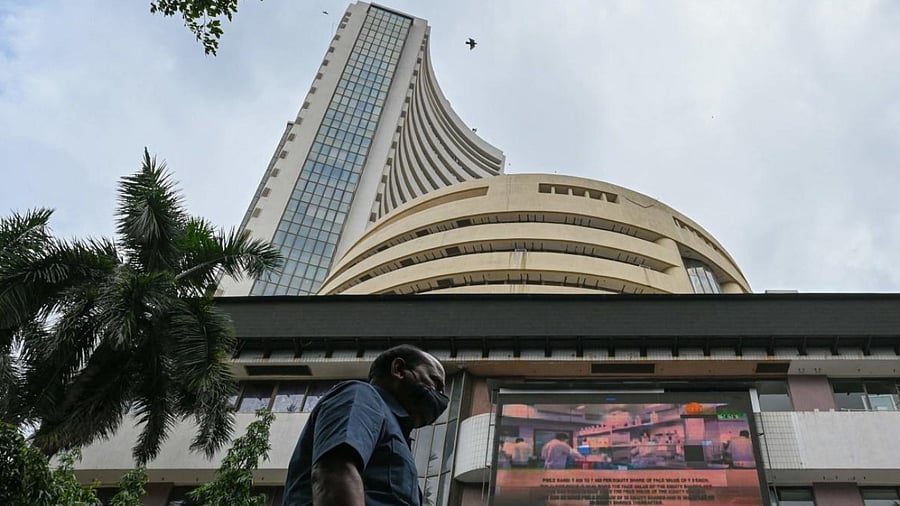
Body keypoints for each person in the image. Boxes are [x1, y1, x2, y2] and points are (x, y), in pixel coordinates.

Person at [283, 344, 448, 506]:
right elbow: (335, 471)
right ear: (398, 369)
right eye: (435, 382)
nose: (441, 398)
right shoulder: (362, 396)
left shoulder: (397, 435)